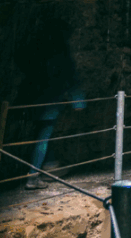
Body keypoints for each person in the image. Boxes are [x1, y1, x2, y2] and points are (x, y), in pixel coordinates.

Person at [24, 23, 86, 189]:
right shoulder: (61, 54)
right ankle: (33, 176)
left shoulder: (38, 52)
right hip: (50, 101)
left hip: (34, 99)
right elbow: (71, 77)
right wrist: (78, 101)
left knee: (42, 134)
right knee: (44, 136)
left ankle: (49, 163)